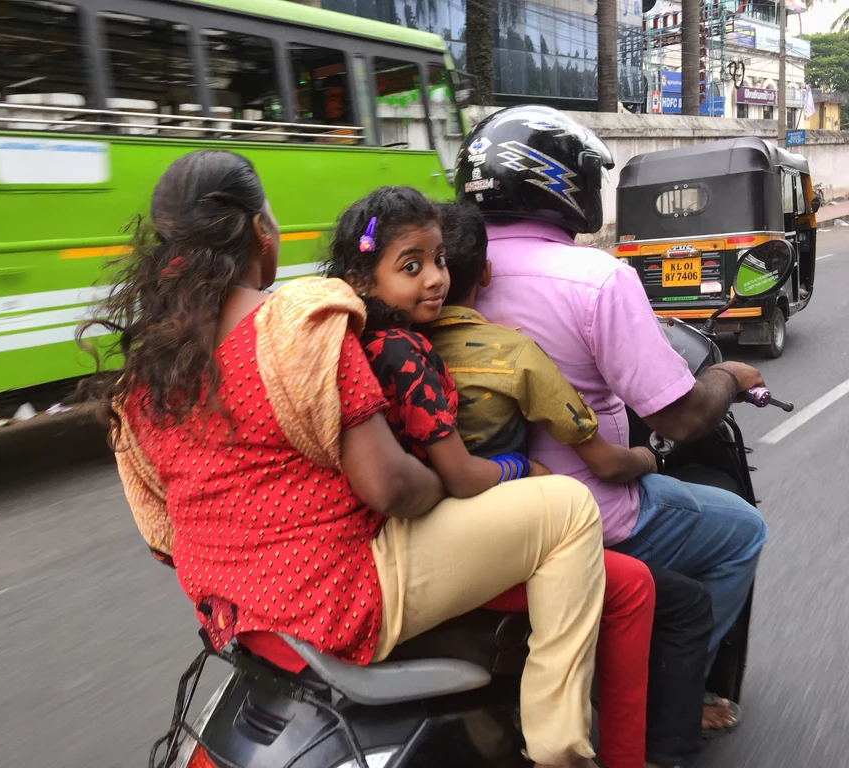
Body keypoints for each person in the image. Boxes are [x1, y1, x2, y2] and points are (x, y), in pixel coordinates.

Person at [80, 149, 606, 768]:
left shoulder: (147, 369)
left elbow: (161, 531)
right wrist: (448, 481)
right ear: (260, 232)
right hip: (334, 598)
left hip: (231, 609)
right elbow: (390, 487)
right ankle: (560, 747)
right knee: (569, 508)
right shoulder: (298, 323)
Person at [457, 105, 768, 738]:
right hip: (589, 511)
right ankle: (673, 698)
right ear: (561, 184)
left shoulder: (443, 271)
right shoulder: (597, 277)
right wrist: (731, 378)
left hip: (471, 510)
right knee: (742, 530)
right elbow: (679, 417)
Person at [324, 185, 657, 768]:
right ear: (362, 278)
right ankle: (574, 746)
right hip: (426, 531)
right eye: (412, 267)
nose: (434, 279)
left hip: (373, 537)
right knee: (626, 581)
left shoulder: (351, 340)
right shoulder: (413, 352)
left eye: (438, 262)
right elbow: (462, 476)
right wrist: (519, 467)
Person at [431, 202, 715, 768]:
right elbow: (605, 461)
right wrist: (645, 459)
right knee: (656, 592)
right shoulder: (513, 352)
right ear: (484, 277)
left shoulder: (392, 347)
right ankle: (644, 750)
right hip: (506, 529)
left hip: (426, 537)